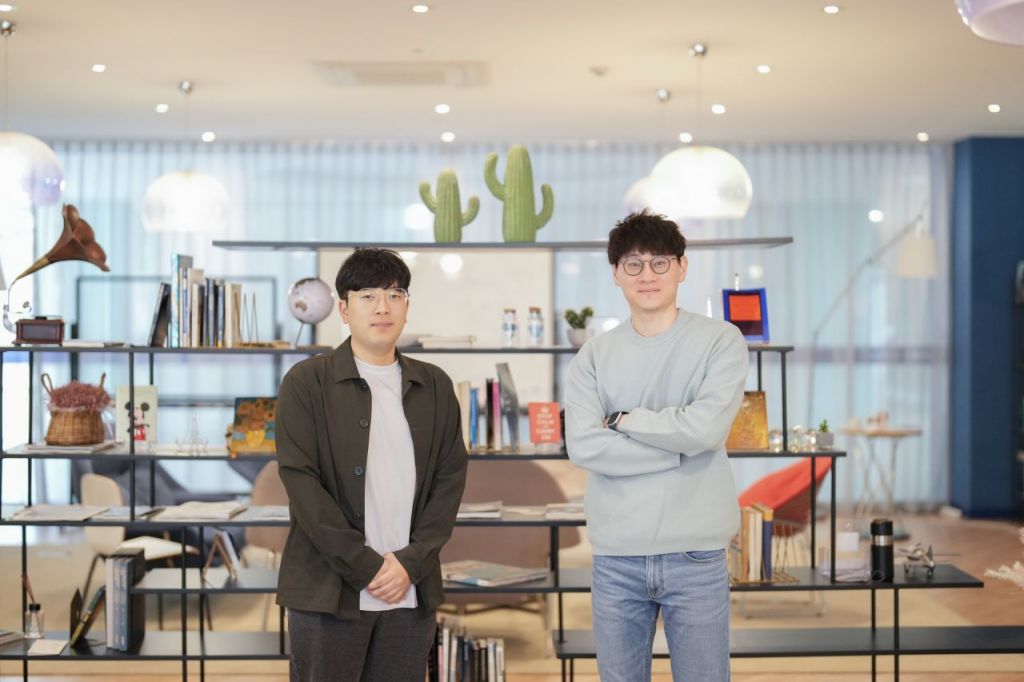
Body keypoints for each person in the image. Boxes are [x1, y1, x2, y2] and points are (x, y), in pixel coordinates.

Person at [564, 210, 749, 681]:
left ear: (682, 267)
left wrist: (626, 421)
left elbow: (706, 430)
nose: (646, 275)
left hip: (696, 554)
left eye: (659, 262)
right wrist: (679, 446)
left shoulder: (721, 341)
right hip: (616, 555)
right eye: (633, 264)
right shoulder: (593, 356)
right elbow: (584, 447)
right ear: (616, 273)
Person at [275, 248, 468, 682]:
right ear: (344, 309)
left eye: (395, 295)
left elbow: (449, 481)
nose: (383, 307)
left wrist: (409, 563)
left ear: (406, 307)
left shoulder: (435, 385)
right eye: (367, 296)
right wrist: (368, 567)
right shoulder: (306, 383)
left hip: (409, 590)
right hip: (327, 592)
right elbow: (302, 485)